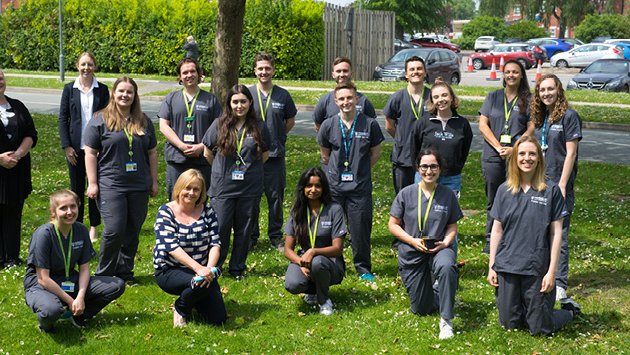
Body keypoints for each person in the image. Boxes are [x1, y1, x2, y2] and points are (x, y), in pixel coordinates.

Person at [487, 136, 578, 336]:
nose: (526, 158)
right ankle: (522, 307)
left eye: (532, 154)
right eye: (522, 153)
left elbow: (556, 234)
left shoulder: (551, 190)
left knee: (539, 328)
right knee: (510, 325)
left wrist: (552, 272)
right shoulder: (504, 190)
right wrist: (492, 265)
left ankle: (569, 311)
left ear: (539, 159)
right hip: (508, 266)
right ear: (515, 158)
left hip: (536, 267)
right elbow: (497, 230)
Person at [84, 77, 158, 284]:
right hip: (111, 184)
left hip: (139, 185)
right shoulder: (100, 120)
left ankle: (125, 272)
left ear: (135, 96)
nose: (125, 95)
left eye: (130, 92)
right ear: (113, 94)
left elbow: (152, 153)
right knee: (114, 229)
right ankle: (104, 274)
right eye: (121, 91)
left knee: (133, 230)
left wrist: (154, 181)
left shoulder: (143, 121)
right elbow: (90, 153)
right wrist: (92, 183)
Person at [24, 189, 125, 333]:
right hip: (41, 285)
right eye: (63, 208)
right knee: (51, 310)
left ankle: (79, 315)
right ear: (53, 212)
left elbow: (84, 269)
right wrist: (71, 301)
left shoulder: (81, 230)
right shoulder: (43, 234)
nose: (69, 212)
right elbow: (43, 279)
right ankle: (47, 325)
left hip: (69, 279)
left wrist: (80, 297)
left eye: (73, 206)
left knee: (116, 285)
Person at [388, 149, 463, 340]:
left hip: (439, 248)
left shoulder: (448, 195)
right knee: (421, 308)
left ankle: (446, 321)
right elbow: (392, 225)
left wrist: (446, 242)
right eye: (424, 166)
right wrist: (412, 241)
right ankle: (439, 290)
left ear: (440, 169)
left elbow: (452, 226)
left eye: (433, 166)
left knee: (446, 267)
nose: (429, 171)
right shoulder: (406, 193)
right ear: (418, 168)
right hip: (412, 250)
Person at [317, 82, 384, 281]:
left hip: (360, 188)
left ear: (356, 99)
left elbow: (375, 153)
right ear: (336, 101)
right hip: (335, 188)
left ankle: (363, 268)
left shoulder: (369, 124)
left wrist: (359, 171)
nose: (346, 102)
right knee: (332, 229)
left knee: (360, 229)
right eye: (342, 99)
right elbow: (325, 155)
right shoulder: (329, 124)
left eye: (350, 98)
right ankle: (336, 265)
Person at [202, 84, 270, 278]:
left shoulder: (259, 126)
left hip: (249, 187)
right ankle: (217, 265)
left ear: (250, 103)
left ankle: (237, 267)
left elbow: (264, 155)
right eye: (235, 102)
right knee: (221, 227)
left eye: (243, 101)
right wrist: (222, 171)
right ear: (229, 104)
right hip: (223, 187)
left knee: (244, 229)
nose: (239, 105)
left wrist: (247, 169)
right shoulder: (219, 124)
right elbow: (207, 152)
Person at [531, 74, 582, 309]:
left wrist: (562, 184)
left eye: (550, 89)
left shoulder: (569, 116)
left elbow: (571, 153)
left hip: (559, 183)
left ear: (558, 90)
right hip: (541, 182)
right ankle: (542, 273)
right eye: (542, 90)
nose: (546, 94)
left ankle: (560, 282)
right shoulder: (542, 117)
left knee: (559, 234)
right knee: (541, 231)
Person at [153, 169, 227, 327]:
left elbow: (215, 243)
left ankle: (195, 298)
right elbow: (171, 246)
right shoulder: (165, 212)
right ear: (179, 188)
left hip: (202, 270)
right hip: (170, 269)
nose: (191, 193)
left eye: (196, 189)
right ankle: (181, 308)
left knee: (218, 319)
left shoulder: (207, 211)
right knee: (197, 282)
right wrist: (199, 269)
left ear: (201, 192)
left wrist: (209, 269)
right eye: (188, 188)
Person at [478, 60, 534, 254]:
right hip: (493, 156)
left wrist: (515, 148)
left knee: (516, 196)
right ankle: (490, 239)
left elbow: (532, 126)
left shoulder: (528, 99)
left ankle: (512, 238)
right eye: (508, 72)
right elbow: (483, 124)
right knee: (494, 199)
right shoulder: (493, 97)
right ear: (503, 75)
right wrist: (498, 146)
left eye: (515, 72)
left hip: (518, 156)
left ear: (521, 75)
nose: (511, 75)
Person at [248, 52, 297, 251]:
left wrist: (276, 138)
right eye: (260, 68)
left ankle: (275, 236)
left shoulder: (282, 95)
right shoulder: (248, 94)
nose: (264, 72)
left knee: (275, 198)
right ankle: (251, 236)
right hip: (252, 156)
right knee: (251, 198)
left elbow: (290, 120)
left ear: (273, 70)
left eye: (267, 68)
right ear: (255, 71)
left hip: (275, 156)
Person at [58, 52, 109, 243]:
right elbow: (63, 118)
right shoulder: (69, 89)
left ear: (94, 66)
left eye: (90, 64)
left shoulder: (102, 90)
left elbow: (108, 119)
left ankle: (94, 227)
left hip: (97, 149)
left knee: (95, 188)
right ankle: (77, 227)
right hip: (75, 149)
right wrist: (66, 146)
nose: (86, 68)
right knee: (77, 189)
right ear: (77, 66)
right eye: (83, 64)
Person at [284, 167, 346, 316]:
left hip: (329, 262)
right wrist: (301, 263)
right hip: (304, 259)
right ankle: (312, 291)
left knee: (318, 262)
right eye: (309, 186)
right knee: (292, 284)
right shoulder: (297, 211)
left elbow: (338, 248)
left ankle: (324, 301)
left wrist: (313, 252)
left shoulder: (334, 209)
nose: (313, 189)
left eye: (318, 186)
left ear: (323, 188)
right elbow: (287, 250)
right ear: (303, 188)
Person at [158, 58, 221, 198]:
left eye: (193, 71)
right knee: (176, 197)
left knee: (200, 199)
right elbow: (163, 126)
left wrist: (202, 146)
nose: (189, 75)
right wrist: (181, 145)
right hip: (177, 159)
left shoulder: (211, 100)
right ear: (180, 76)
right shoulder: (171, 98)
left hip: (202, 159)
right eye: (185, 72)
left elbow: (219, 127)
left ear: (199, 74)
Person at [0, 69, 37, 268]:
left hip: (17, 170)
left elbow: (30, 133)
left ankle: (12, 257)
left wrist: (18, 154)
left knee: (14, 214)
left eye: (1, 77)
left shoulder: (18, 106)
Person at [411, 82, 473, 197]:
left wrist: (456, 167)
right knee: (422, 211)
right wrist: (420, 170)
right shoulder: (423, 123)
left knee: (447, 213)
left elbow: (464, 151)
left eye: (444, 95)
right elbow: (414, 149)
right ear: (432, 101)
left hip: (451, 178)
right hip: (425, 176)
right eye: (436, 97)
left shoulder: (463, 124)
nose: (441, 99)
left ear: (451, 97)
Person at [384, 56, 431, 194]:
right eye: (412, 69)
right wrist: (403, 139)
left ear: (425, 72)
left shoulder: (432, 96)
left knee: (426, 197)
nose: (415, 72)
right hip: (402, 158)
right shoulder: (397, 97)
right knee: (403, 197)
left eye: (419, 69)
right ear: (406, 74)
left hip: (427, 157)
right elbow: (389, 126)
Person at [312, 57, 376, 132]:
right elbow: (318, 125)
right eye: (338, 71)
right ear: (333, 75)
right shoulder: (325, 100)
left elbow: (372, 126)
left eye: (345, 71)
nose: (342, 74)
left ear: (351, 74)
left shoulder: (363, 100)